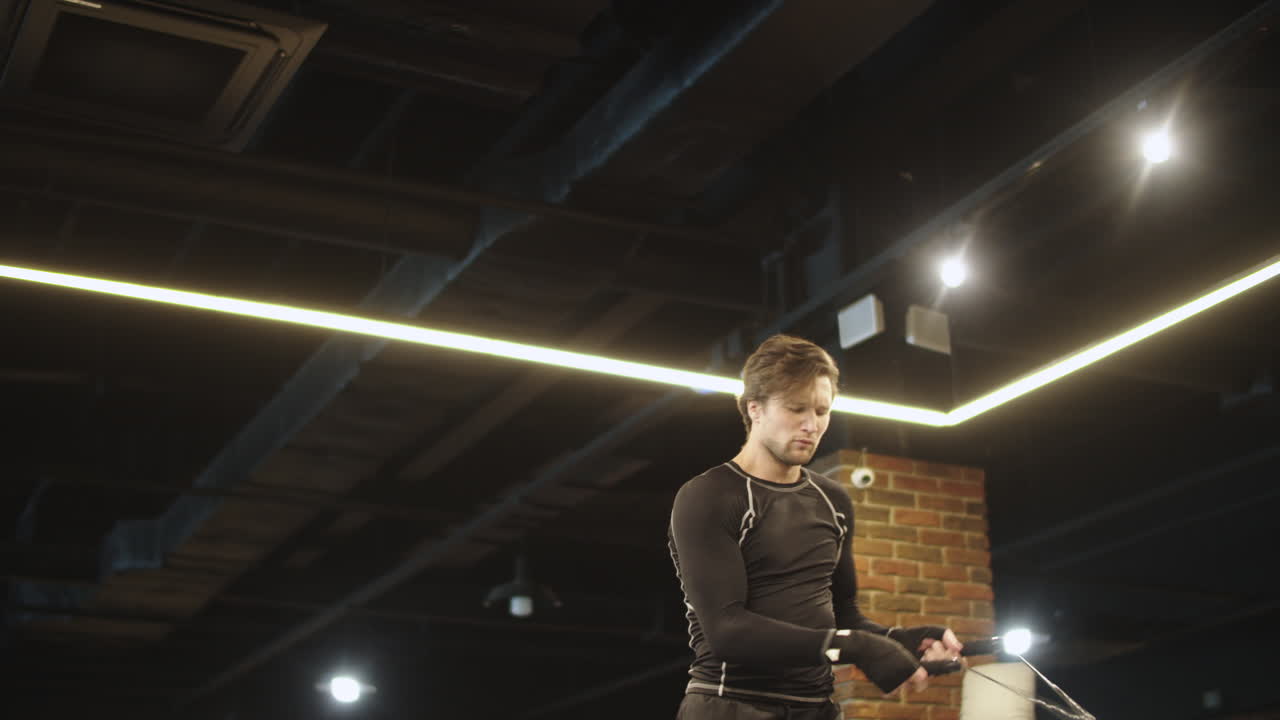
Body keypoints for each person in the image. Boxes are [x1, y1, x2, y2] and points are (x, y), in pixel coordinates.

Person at [668, 334, 963, 719]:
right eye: (796, 409)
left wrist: (901, 640)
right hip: (731, 705)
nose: (812, 425)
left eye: (822, 411)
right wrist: (856, 647)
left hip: (818, 708)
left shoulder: (834, 501)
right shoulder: (709, 496)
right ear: (754, 409)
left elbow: (844, 618)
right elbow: (727, 631)